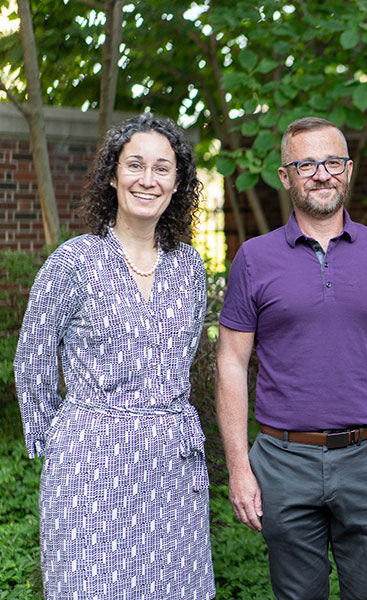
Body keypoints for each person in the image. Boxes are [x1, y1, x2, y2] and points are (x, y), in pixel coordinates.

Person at [215, 116, 367, 600]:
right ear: (285, 176)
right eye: (306, 163)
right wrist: (239, 469)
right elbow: (230, 362)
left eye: (333, 162)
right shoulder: (254, 258)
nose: (321, 173)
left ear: (348, 169)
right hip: (282, 461)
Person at [14, 113, 215, 599]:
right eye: (135, 165)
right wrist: (60, 440)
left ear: (177, 183)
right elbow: (32, 360)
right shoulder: (74, 262)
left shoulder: (189, 267)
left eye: (163, 169)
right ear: (112, 174)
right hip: (91, 469)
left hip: (171, 467)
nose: (148, 179)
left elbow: (183, 355)